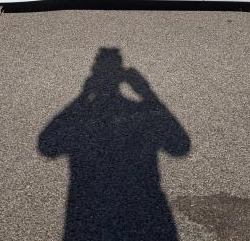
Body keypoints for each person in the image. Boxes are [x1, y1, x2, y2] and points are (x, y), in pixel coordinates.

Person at [39, 48, 191, 241]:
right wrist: (147, 93)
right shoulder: (143, 113)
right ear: (122, 78)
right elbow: (179, 146)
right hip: (144, 211)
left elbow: (47, 145)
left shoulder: (82, 117)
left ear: (94, 76)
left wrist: (82, 97)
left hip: (89, 213)